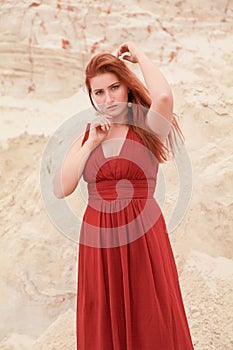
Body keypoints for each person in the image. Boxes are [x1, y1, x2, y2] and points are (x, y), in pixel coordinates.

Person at [53, 42, 194, 349]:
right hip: (99, 241)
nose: (108, 98)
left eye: (114, 87)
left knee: (151, 319)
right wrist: (92, 142)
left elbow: (164, 97)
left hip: (144, 237)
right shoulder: (86, 135)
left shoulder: (147, 127)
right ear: (90, 97)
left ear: (127, 88)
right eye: (98, 92)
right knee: (103, 321)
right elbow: (62, 187)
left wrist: (140, 56)